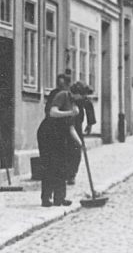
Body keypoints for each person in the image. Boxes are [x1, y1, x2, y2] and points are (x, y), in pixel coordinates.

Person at [37, 73, 81, 207]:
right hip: (48, 133)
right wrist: (69, 113)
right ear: (76, 92)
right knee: (50, 165)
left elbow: (71, 127)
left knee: (62, 165)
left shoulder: (74, 103)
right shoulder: (63, 95)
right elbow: (52, 112)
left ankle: (59, 198)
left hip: (60, 135)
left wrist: (80, 143)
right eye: (82, 96)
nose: (83, 99)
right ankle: (46, 199)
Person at [66, 82, 97, 185]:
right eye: (82, 95)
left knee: (77, 151)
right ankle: (64, 173)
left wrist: (89, 124)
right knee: (66, 150)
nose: (84, 97)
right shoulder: (68, 98)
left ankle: (72, 175)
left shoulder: (83, 100)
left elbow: (89, 108)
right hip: (65, 127)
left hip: (77, 127)